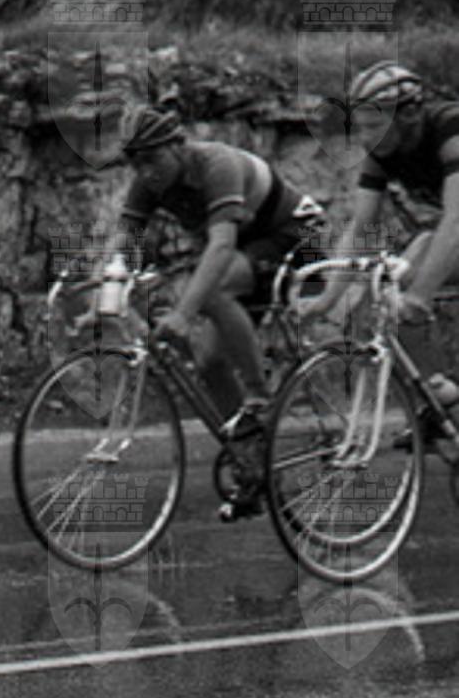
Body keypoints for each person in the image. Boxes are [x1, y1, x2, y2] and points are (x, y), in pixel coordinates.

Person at [105, 104, 314, 439]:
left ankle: (259, 398)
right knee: (208, 361)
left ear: (177, 146)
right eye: (136, 164)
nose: (145, 172)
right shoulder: (148, 181)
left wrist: (183, 315)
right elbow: (123, 241)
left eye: (152, 160)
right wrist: (103, 292)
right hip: (245, 247)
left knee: (213, 291)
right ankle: (248, 446)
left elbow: (220, 246)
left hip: (292, 235)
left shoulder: (217, 164)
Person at [306, 61, 459, 442]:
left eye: (373, 126)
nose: (364, 137)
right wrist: (328, 299)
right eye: (359, 127)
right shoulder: (382, 151)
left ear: (408, 116)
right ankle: (441, 398)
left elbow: (457, 220)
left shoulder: (450, 128)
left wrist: (422, 296)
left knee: (418, 283)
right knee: (394, 288)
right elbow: (361, 227)